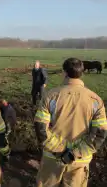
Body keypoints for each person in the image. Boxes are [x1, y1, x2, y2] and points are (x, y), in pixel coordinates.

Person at [34, 58, 107, 187]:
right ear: (82, 73)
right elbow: (99, 134)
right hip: (80, 160)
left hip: (52, 157)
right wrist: (75, 153)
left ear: (64, 73)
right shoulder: (95, 100)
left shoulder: (50, 96)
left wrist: (60, 150)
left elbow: (41, 129)